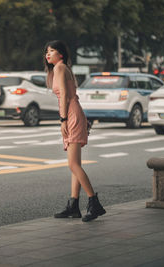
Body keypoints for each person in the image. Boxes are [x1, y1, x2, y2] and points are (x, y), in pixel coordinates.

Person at [44, 40, 105, 222]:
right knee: (75, 163)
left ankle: (94, 203)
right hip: (75, 112)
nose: (48, 54)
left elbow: (64, 95)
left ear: (60, 54)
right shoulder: (63, 68)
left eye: (52, 51)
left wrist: (63, 119)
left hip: (71, 115)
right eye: (46, 51)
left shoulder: (60, 69)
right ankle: (73, 206)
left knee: (73, 164)